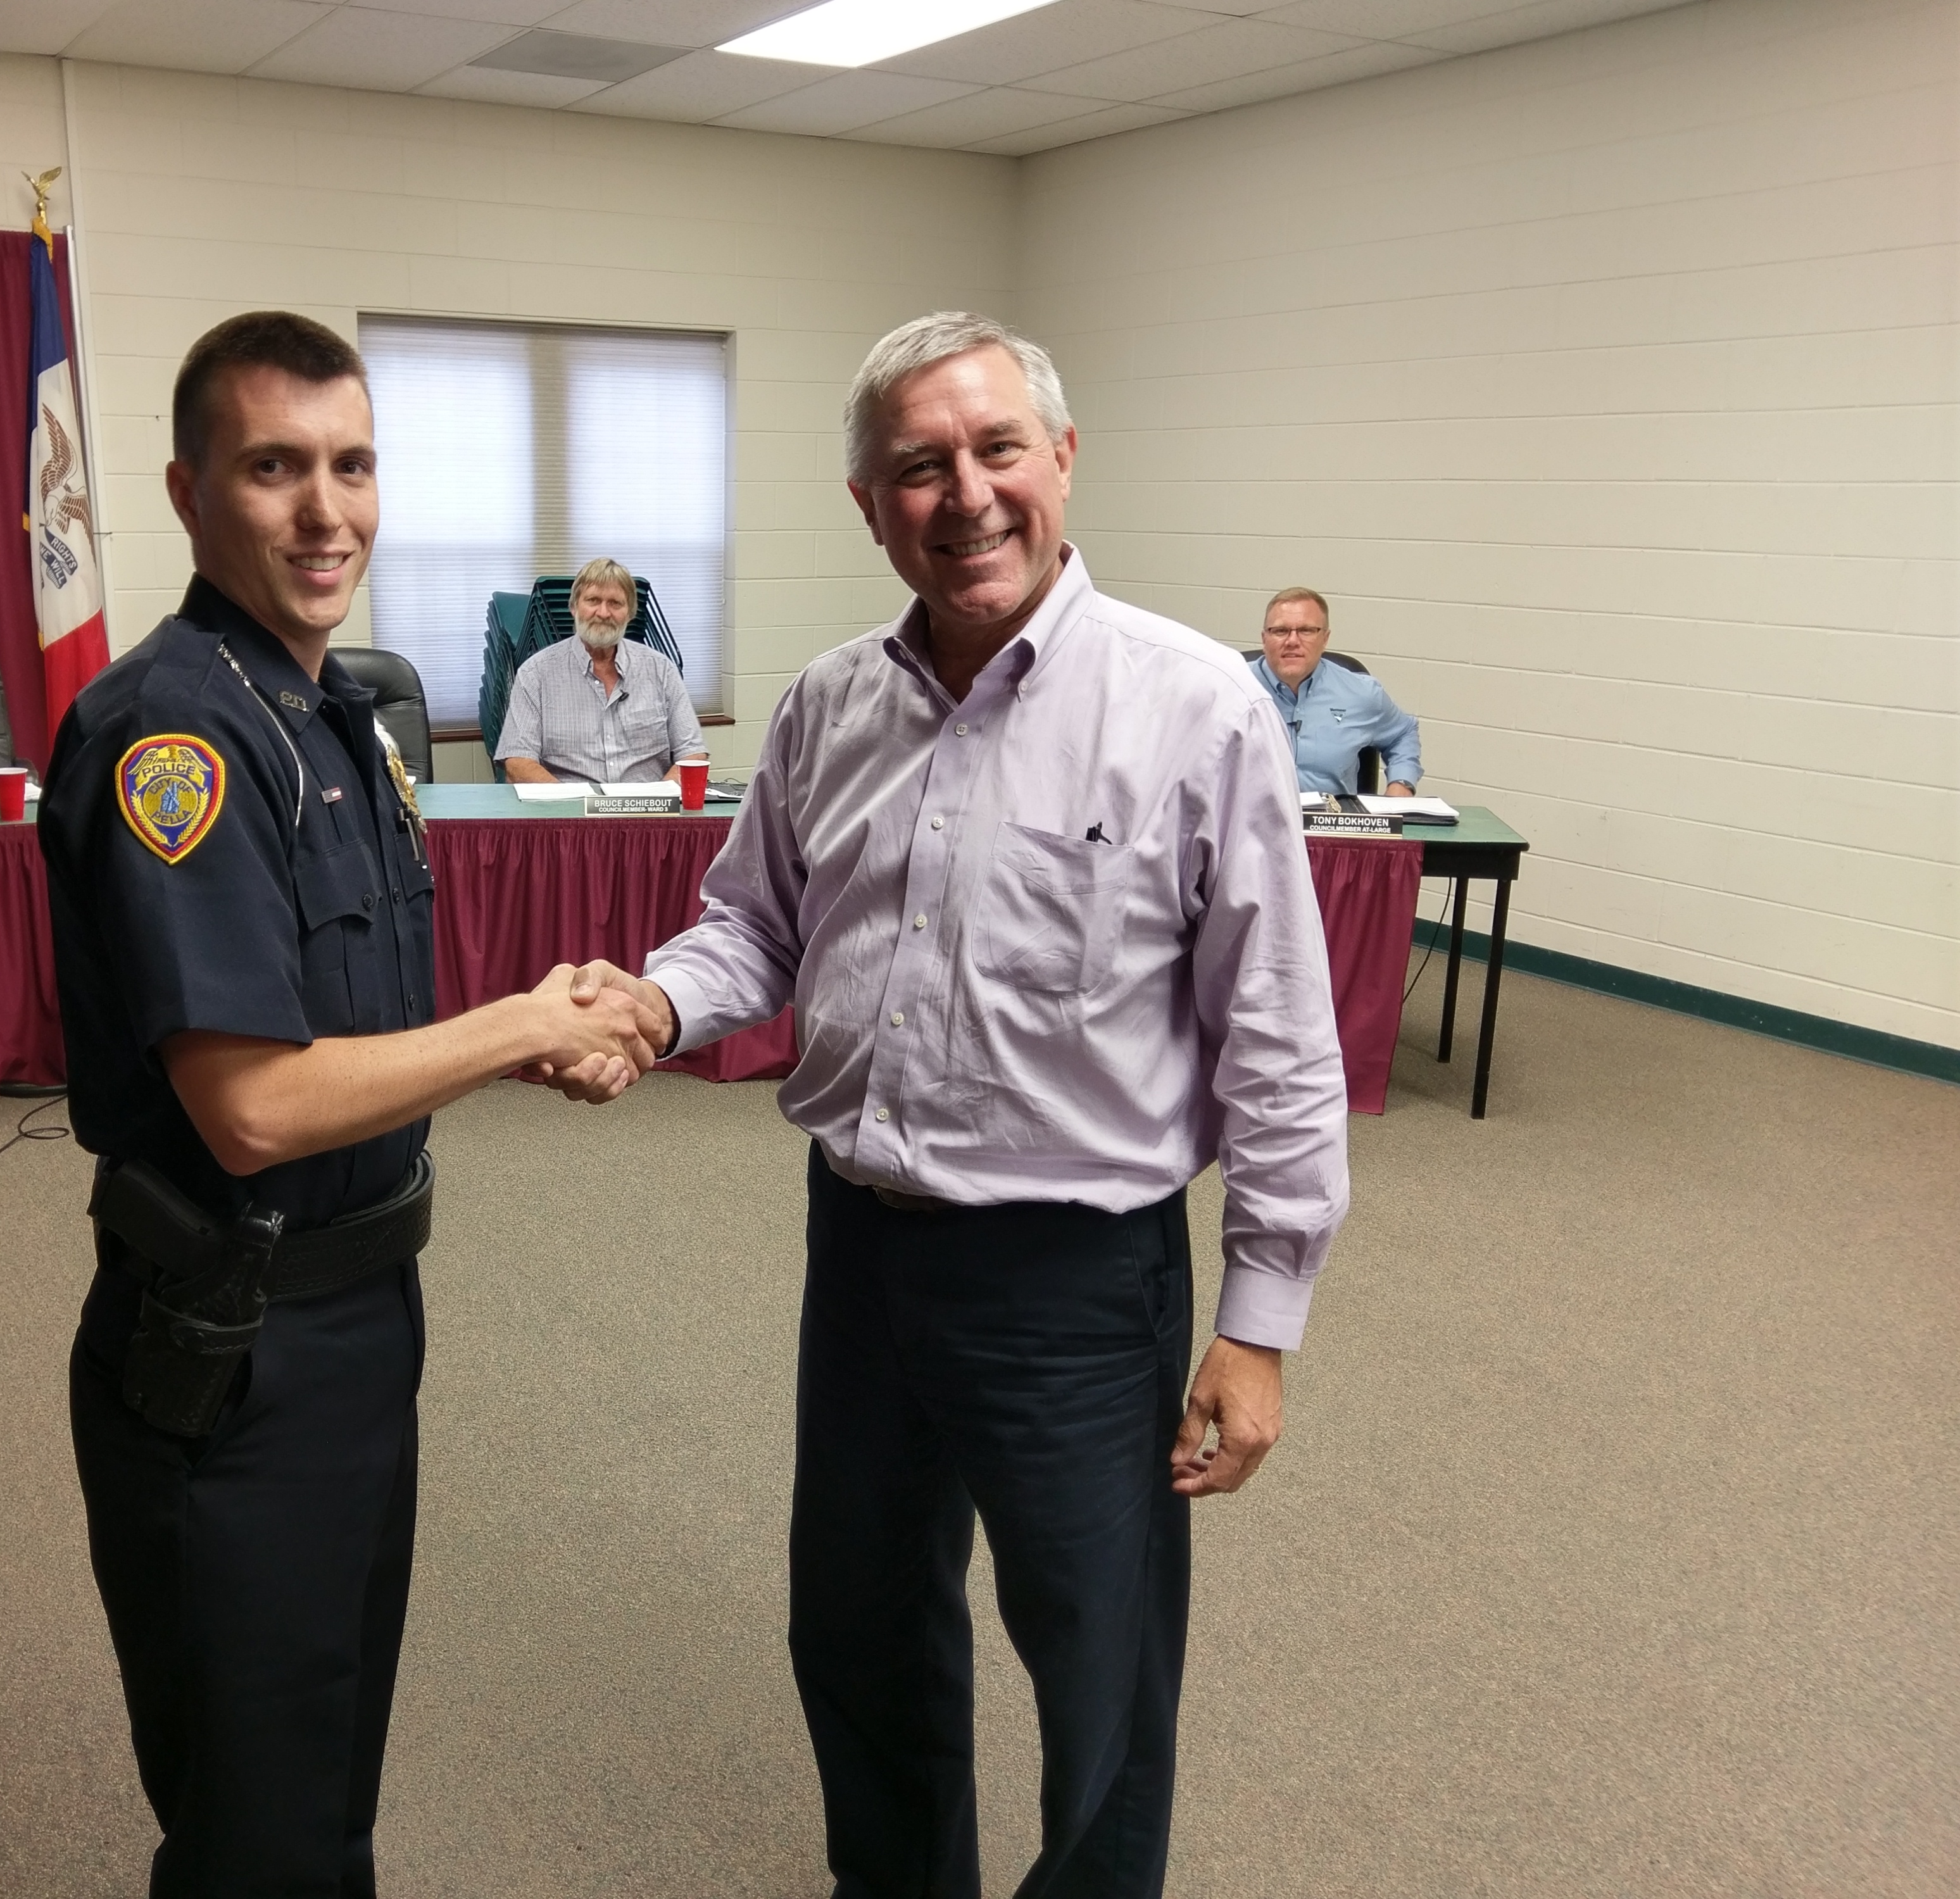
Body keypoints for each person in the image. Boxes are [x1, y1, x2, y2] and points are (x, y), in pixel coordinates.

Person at [565, 313, 1350, 1898]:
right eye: (919, 465)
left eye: (998, 450)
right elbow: (757, 925)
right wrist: (659, 1001)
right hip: (859, 1255)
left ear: (1062, 461)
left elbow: (1276, 1032)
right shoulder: (826, 705)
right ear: (868, 503)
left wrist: (1260, 1318)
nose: (966, 494)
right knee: (853, 1622)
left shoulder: (1195, 708)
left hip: (1074, 1279)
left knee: (1097, 1671)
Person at [37, 310, 663, 1899]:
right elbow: (248, 1101)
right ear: (189, 494)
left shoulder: (335, 720)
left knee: (321, 1778)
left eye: (352, 464)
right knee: (258, 1820)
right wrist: (521, 1018)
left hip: (356, 1310)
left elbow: (363, 1028)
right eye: (274, 467)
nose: (326, 512)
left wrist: (523, 1039)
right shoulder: (177, 737)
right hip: (227, 1350)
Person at [493, 556, 706, 789]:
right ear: (574, 607)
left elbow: (693, 756)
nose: (603, 613)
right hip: (568, 814)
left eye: (615, 603)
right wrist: (575, 809)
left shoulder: (661, 670)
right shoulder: (536, 674)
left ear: (630, 613)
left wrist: (655, 804)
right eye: (593, 600)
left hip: (650, 814)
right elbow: (518, 762)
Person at [1250, 586, 1421, 795]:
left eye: (1306, 631)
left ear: (1325, 639)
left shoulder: (1360, 693)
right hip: (1248, 825)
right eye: (1280, 631)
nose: (1292, 641)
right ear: (1264, 639)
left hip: (1332, 822)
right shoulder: (1230, 688)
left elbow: (1403, 733)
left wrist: (1401, 783)